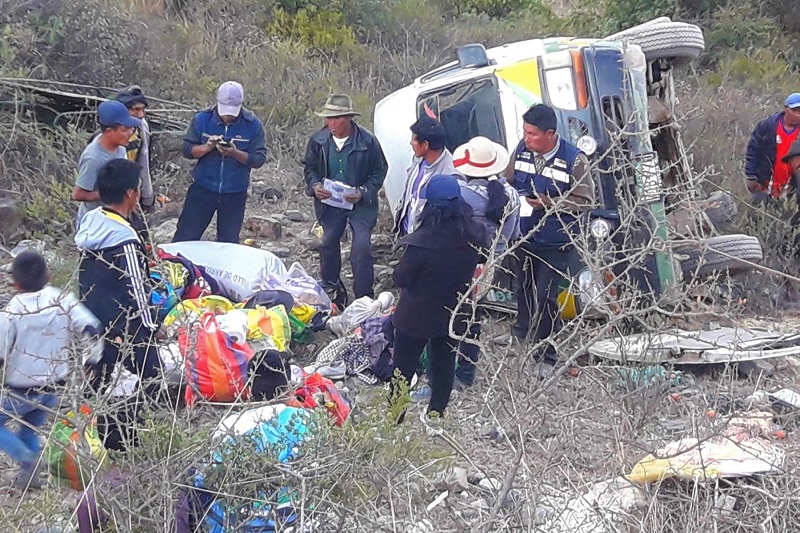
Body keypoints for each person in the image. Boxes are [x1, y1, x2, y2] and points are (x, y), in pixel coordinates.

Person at [0, 251, 102, 489]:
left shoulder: (12, 311)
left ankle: (27, 459)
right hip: (54, 385)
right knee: (29, 427)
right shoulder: (62, 300)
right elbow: (91, 327)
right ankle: (29, 480)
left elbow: (1, 351)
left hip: (22, 388)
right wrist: (92, 359)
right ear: (48, 276)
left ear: (15, 282)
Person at [508, 104, 594, 379]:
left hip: (556, 241)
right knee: (522, 288)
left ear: (550, 134)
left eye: (532, 134)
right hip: (524, 236)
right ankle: (523, 336)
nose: (527, 138)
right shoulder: (522, 150)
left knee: (545, 296)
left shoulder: (574, 159)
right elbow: (508, 179)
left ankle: (547, 355)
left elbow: (586, 200)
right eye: (525, 132)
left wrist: (551, 203)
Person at [390, 175, 483, 419]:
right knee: (444, 366)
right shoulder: (475, 235)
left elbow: (401, 278)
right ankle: (436, 414)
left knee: (402, 369)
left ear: (429, 206)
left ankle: (395, 419)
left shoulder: (421, 243)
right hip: (453, 312)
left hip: (415, 316)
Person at [76, 159, 163, 395]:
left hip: (92, 317)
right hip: (123, 324)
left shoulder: (91, 221)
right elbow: (136, 288)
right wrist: (152, 326)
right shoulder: (125, 240)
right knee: (153, 376)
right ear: (130, 194)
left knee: (97, 380)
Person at [303, 94, 388, 305]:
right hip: (330, 203)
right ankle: (331, 289)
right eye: (328, 118)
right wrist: (315, 186)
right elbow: (310, 168)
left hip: (361, 205)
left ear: (349, 118)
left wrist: (363, 191)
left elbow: (379, 170)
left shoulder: (367, 141)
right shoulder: (318, 140)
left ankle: (364, 298)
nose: (331, 123)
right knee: (327, 243)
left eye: (337, 118)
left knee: (361, 248)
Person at [452, 137, 520, 387]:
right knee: (473, 317)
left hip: (461, 262)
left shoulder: (462, 195)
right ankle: (467, 371)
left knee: (452, 315)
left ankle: (450, 371)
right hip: (489, 265)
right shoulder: (511, 195)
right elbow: (514, 234)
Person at [173, 81, 267, 243]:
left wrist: (235, 153)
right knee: (186, 236)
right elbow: (187, 150)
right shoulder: (202, 119)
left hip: (235, 192)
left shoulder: (253, 125)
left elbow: (259, 159)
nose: (227, 116)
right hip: (203, 188)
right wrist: (207, 147)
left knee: (228, 241)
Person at [73, 100, 139, 228]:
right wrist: (111, 193)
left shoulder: (120, 148)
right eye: (125, 129)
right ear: (109, 131)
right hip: (94, 224)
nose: (130, 133)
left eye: (131, 128)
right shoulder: (94, 158)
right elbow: (78, 194)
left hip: (114, 218)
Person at [393, 116, 458, 236]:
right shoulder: (418, 160)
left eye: (414, 139)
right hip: (406, 236)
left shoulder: (449, 176)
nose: (411, 143)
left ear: (425, 145)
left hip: (424, 240)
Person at [746, 93, 800, 203]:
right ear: (785, 109)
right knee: (759, 211)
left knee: (788, 212)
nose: (797, 115)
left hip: (791, 187)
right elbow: (753, 151)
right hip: (765, 184)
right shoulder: (767, 126)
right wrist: (751, 176)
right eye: (794, 110)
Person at [115, 85, 156, 216]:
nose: (141, 115)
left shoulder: (141, 127)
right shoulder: (108, 135)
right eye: (136, 109)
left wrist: (147, 198)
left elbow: (144, 163)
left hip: (133, 196)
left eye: (143, 109)